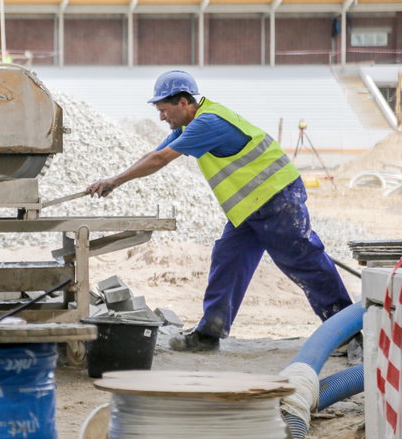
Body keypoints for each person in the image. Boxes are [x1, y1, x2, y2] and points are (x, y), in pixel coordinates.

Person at [87, 70, 352, 352]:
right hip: (250, 206)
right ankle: (209, 333)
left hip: (277, 199)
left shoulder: (208, 123)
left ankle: (348, 331)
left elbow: (159, 160)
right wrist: (114, 178)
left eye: (164, 110)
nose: (162, 117)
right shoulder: (187, 127)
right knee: (228, 259)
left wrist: (116, 181)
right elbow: (153, 153)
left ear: (184, 103)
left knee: (305, 263)